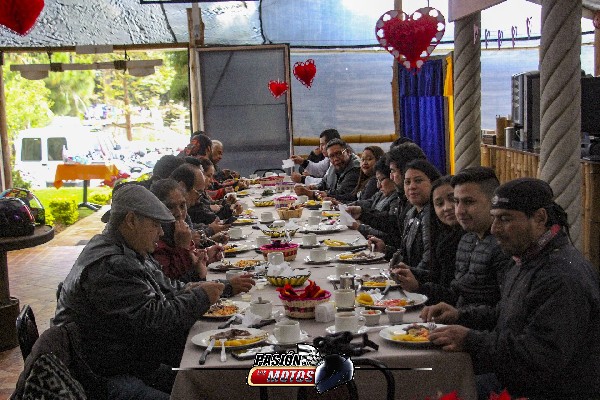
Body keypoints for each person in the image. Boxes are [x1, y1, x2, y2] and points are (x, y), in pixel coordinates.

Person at [423, 178, 600, 400]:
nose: (495, 229)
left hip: (546, 391)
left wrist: (470, 340)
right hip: (514, 380)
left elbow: (541, 353)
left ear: (540, 218)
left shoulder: (561, 275)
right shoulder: (526, 259)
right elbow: (507, 314)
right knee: (426, 379)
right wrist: (460, 316)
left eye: (505, 219)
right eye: (494, 218)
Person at [54, 184, 225, 399]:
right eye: (155, 224)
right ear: (131, 220)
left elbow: (167, 288)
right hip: (103, 377)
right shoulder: (111, 265)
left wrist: (204, 288)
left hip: (128, 361)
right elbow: (154, 322)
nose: (161, 232)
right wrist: (201, 296)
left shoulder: (125, 249)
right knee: (204, 385)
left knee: (209, 383)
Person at [391, 175, 465, 304]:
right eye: (439, 204)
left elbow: (457, 296)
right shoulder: (443, 236)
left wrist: (419, 287)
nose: (447, 207)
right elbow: (435, 275)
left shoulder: (468, 239)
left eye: (453, 200)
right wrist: (410, 271)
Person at [388, 159, 441, 283]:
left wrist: (410, 276)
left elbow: (428, 262)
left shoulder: (432, 214)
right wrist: (385, 249)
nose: (412, 187)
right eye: (407, 182)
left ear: (433, 183)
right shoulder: (411, 212)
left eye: (418, 181)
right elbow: (405, 253)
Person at [294, 138, 360, 202]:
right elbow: (325, 182)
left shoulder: (355, 168)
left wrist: (312, 194)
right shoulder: (336, 164)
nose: (335, 159)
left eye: (338, 154)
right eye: (331, 156)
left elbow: (342, 193)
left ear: (348, 152)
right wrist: (314, 187)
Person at [349, 158, 400, 238]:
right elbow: (370, 202)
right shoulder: (382, 193)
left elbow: (389, 230)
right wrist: (350, 205)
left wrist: (359, 227)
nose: (378, 186)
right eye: (377, 180)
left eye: (381, 180)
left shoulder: (396, 200)